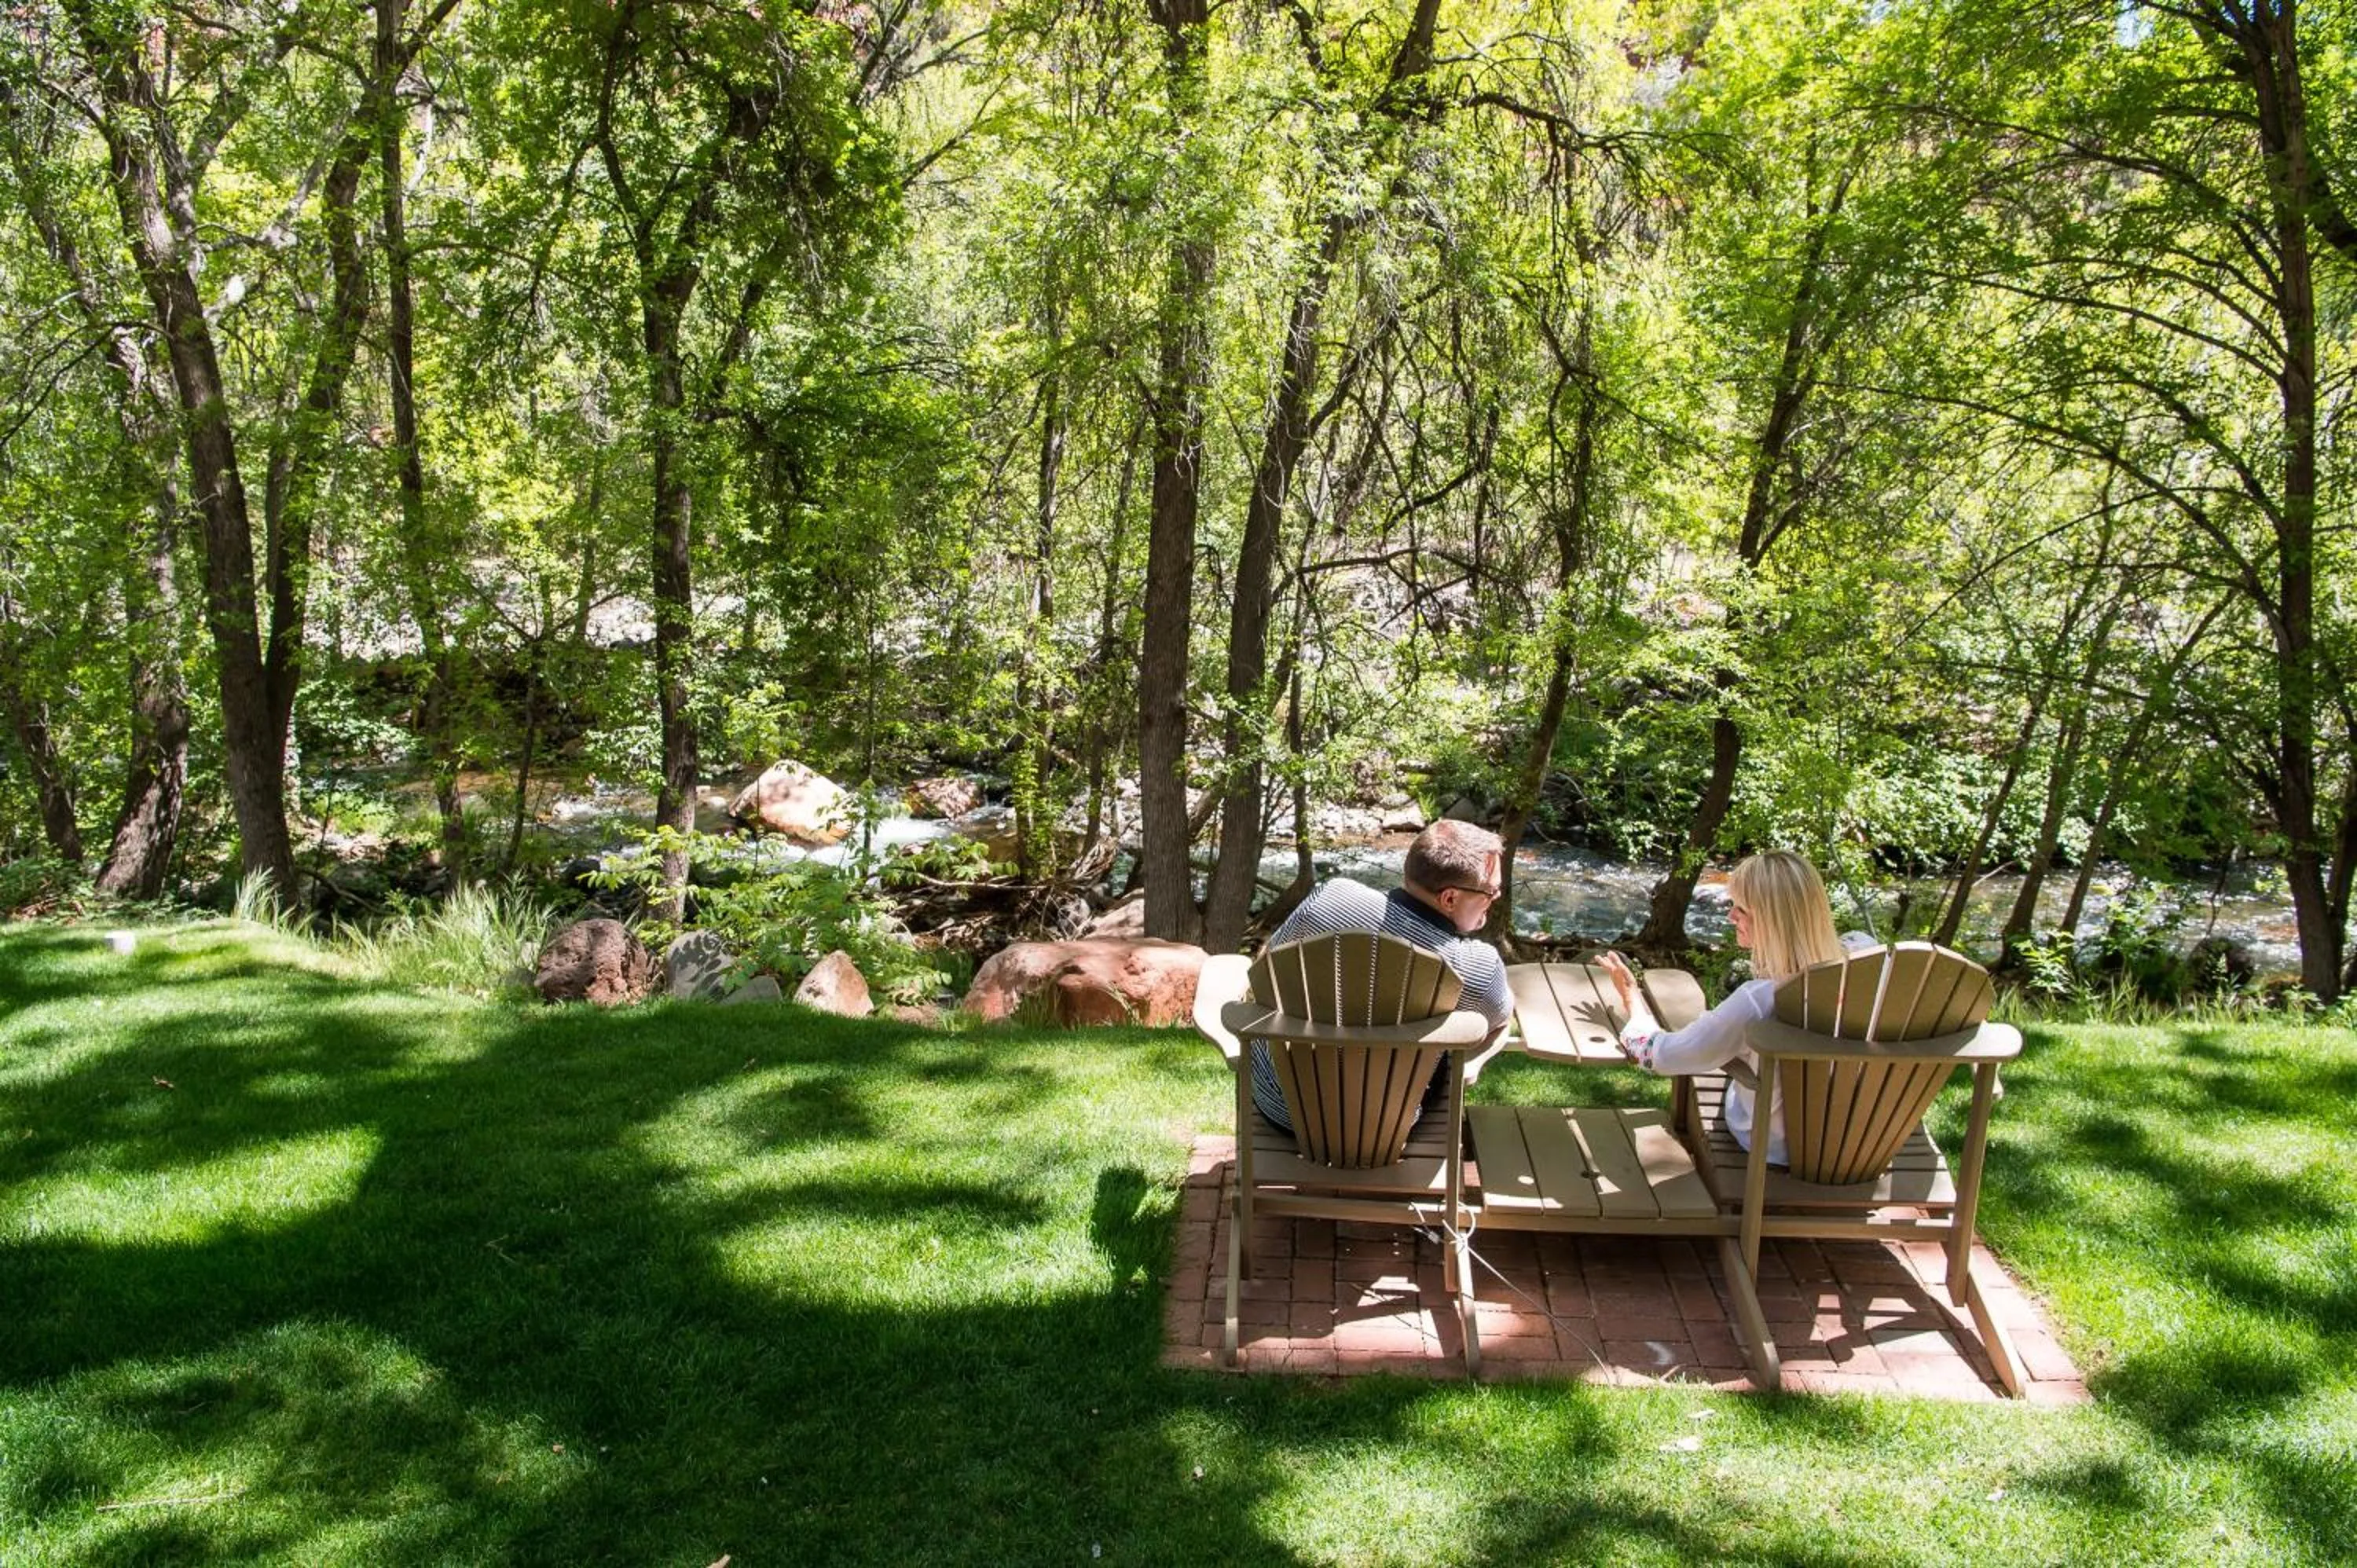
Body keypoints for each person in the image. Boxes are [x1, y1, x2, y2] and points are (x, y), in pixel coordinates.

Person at [1248, 819, 1516, 1134]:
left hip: (1283, 1106)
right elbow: (1500, 1020)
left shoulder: (1331, 898)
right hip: (1385, 1127)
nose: (1496, 898)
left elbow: (1269, 965)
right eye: (1491, 891)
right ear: (1450, 898)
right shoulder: (1477, 967)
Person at [1593, 849, 1848, 1167]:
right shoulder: (1866, 975)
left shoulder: (1757, 1002)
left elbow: (1659, 1055)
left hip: (1775, 1147)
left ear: (1773, 921)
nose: (1730, 918)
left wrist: (1633, 999)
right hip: (1855, 1142)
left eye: (1741, 909)